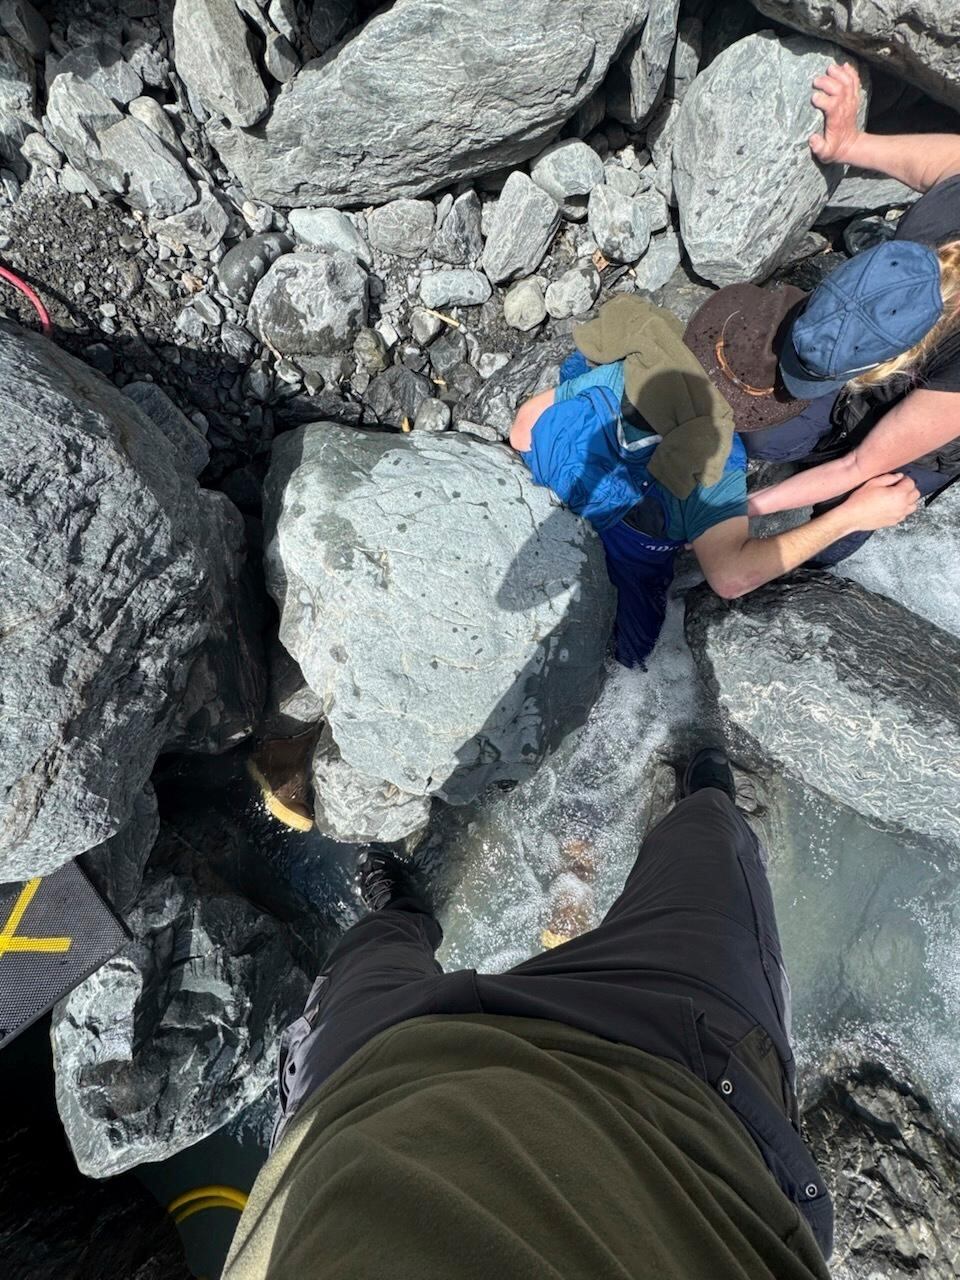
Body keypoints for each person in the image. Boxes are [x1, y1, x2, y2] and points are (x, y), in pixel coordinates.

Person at [222, 748, 832, 1280]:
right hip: (669, 1096)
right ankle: (705, 800)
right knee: (709, 865)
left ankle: (403, 915)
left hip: (360, 1090)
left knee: (367, 957)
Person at [508, 295, 918, 667]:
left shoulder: (636, 359)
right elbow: (730, 577)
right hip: (623, 552)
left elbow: (522, 430)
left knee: (578, 372)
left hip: (551, 489)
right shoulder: (717, 459)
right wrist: (851, 516)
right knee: (633, 654)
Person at [727, 62, 960, 565]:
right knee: (760, 431)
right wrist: (852, 145)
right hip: (881, 344)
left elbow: (859, 464)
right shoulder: (951, 205)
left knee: (842, 530)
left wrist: (742, 509)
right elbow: (946, 164)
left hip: (935, 417)